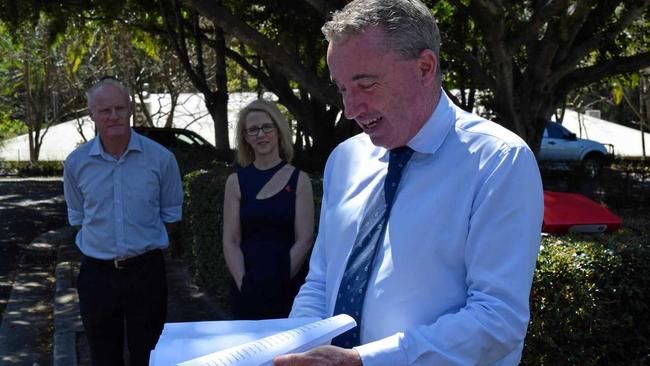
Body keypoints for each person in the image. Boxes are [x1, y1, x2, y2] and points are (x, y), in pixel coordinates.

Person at [273, 0, 544, 365]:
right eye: (341, 89)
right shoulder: (345, 159)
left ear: (425, 68)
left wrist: (365, 360)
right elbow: (321, 282)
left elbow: (498, 320)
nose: (351, 109)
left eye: (365, 84)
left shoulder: (497, 161)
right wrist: (298, 351)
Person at [63, 77, 183, 366]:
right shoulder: (76, 163)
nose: (113, 116)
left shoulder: (161, 159)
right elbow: (79, 217)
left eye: (119, 108)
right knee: (103, 356)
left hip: (146, 271)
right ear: (91, 114)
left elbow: (170, 214)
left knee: (151, 354)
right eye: (104, 111)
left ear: (131, 110)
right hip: (97, 275)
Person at [222, 99, 315, 320]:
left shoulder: (300, 180)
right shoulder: (236, 182)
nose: (260, 135)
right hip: (247, 287)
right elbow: (230, 241)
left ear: (279, 130)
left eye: (266, 127)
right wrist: (244, 283)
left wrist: (278, 279)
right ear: (245, 137)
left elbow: (305, 239)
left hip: (288, 287)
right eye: (253, 130)